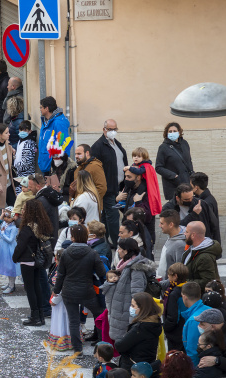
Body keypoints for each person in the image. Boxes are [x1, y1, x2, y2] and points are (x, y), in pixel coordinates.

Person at [52, 224, 106, 355]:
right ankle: (101, 344)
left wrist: (56, 290)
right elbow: (102, 271)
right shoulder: (92, 253)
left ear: (73, 238)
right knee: (99, 314)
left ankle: (77, 350)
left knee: (74, 320)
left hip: (69, 291)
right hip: (87, 291)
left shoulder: (65, 253)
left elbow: (61, 275)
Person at [104, 237, 156, 342]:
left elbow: (137, 296)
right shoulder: (124, 265)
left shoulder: (135, 269)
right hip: (121, 313)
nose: (117, 251)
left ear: (126, 251)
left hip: (126, 316)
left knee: (125, 343)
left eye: (119, 248)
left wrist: (133, 321)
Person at [13, 199, 54, 327]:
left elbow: (21, 246)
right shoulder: (40, 226)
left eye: (24, 209)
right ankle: (40, 315)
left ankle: (35, 316)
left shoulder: (27, 228)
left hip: (27, 261)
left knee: (30, 289)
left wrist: (15, 257)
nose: (22, 211)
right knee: (37, 288)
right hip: (37, 261)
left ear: (30, 212)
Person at [91, 119, 128, 248]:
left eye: (115, 129)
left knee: (107, 216)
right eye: (110, 129)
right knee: (113, 215)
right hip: (106, 188)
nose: (112, 132)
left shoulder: (116, 144)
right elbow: (94, 168)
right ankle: (118, 242)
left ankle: (104, 240)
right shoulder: (98, 146)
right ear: (104, 129)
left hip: (118, 186)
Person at [114, 292, 162, 370]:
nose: (131, 308)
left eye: (133, 306)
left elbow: (120, 345)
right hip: (144, 364)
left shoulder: (141, 328)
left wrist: (118, 339)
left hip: (134, 368)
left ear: (142, 308)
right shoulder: (154, 322)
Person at [155, 122, 193, 201]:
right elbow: (158, 167)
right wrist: (174, 176)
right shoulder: (163, 147)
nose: (172, 133)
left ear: (179, 132)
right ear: (166, 133)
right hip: (173, 185)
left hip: (186, 183)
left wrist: (192, 175)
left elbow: (189, 161)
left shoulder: (185, 143)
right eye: (170, 131)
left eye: (174, 131)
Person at [182, 221, 221, 291]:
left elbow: (208, 281)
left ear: (193, 235)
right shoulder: (192, 248)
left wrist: (185, 282)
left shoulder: (205, 258)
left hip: (198, 297)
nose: (184, 234)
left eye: (187, 232)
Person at [37, 96, 70, 177]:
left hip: (54, 167)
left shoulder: (58, 123)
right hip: (46, 164)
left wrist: (58, 165)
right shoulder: (46, 122)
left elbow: (63, 144)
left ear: (46, 109)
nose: (40, 109)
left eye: (41, 107)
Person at [29, 173, 62, 248]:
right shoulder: (50, 195)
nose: (29, 189)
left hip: (45, 242)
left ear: (37, 186)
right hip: (52, 238)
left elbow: (37, 222)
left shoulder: (41, 201)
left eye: (30, 187)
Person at [162, 262, 189, 352]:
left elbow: (173, 317)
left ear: (175, 276)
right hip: (186, 328)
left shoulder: (174, 294)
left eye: (169, 275)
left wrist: (165, 327)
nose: (168, 277)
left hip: (176, 332)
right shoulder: (188, 287)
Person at [180, 281, 208, 365]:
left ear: (184, 297)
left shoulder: (193, 320)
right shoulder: (209, 309)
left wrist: (193, 374)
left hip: (199, 366)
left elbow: (193, 351)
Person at [0, 208, 20, 294]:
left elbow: (10, 239)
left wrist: (1, 233)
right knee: (7, 267)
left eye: (8, 217)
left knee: (11, 267)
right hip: (4, 248)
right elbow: (1, 232)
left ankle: (12, 286)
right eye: (5, 216)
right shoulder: (5, 223)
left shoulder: (14, 227)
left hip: (10, 248)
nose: (6, 219)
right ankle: (9, 284)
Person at [157, 209, 186, 280]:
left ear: (171, 225)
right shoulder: (171, 237)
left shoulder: (180, 245)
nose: (159, 225)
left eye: (162, 223)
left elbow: (180, 273)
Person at [14, 121, 37, 192]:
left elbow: (26, 163)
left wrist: (16, 166)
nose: (22, 132)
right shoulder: (21, 141)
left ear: (30, 131)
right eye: (21, 130)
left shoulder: (28, 144)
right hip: (20, 174)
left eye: (25, 130)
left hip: (25, 175)